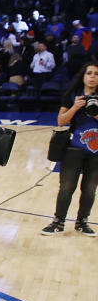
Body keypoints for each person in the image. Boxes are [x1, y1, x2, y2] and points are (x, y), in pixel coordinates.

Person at [41, 62, 98, 236]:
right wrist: (75, 107)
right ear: (83, 76)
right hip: (73, 148)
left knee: (90, 189)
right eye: (89, 73)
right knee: (66, 187)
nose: (93, 76)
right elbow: (61, 121)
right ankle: (58, 222)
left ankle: (82, 222)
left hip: (96, 151)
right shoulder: (72, 95)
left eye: (96, 73)